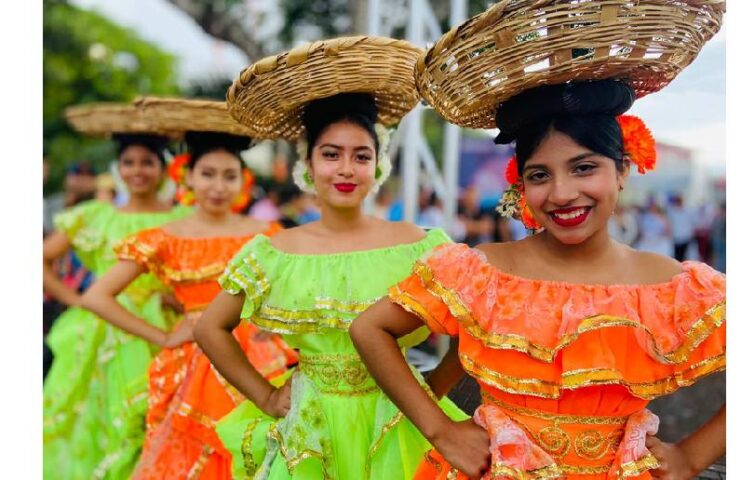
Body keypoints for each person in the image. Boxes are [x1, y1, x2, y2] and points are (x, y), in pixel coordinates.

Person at [350, 3, 725, 478]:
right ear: (520, 186)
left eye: (584, 167)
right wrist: (441, 430)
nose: (563, 193)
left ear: (623, 171)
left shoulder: (672, 287)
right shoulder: (480, 271)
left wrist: (694, 455)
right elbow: (369, 329)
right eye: (540, 175)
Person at [194, 36, 467, 479]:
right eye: (330, 154)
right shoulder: (274, 252)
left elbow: (470, 325)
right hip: (310, 426)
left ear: (378, 166)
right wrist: (264, 397)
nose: (345, 169)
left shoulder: (423, 245)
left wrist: (434, 388)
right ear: (308, 164)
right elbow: (210, 327)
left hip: (401, 421)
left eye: (361, 155)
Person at [83, 126, 298, 479]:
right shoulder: (167, 237)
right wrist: (162, 337)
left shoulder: (267, 233)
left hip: (260, 359)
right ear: (188, 178)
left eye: (229, 176)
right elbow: (96, 296)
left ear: (242, 181)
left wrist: (271, 326)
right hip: (195, 362)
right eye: (208, 174)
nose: (218, 186)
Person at [43, 127, 192, 479]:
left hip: (163, 328)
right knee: (97, 414)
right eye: (128, 162)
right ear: (117, 168)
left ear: (163, 169)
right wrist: (77, 300)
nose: (137, 171)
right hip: (102, 330)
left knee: (154, 417)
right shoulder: (98, 215)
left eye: (147, 162)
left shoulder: (180, 219)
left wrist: (176, 299)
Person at [667, 195, 695, 262]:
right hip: (676, 237)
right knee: (677, 257)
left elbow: (691, 224)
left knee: (684, 256)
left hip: (685, 237)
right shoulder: (672, 212)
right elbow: (670, 224)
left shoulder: (688, 211)